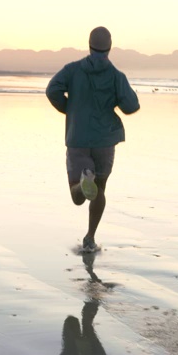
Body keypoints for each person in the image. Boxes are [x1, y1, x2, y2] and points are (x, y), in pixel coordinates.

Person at [46, 26, 140, 252]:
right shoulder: (117, 76)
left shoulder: (73, 70)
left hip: (78, 138)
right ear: (110, 48)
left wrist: (70, 109)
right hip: (105, 141)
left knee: (77, 196)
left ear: (89, 46)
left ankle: (81, 184)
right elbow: (131, 106)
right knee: (100, 190)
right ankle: (89, 238)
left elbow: (52, 90)